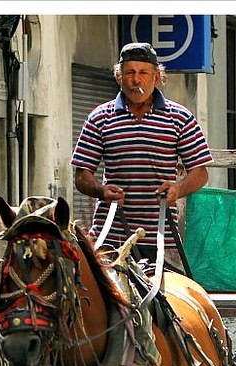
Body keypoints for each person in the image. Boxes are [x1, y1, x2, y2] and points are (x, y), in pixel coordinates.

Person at [70, 41, 213, 269]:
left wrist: (178, 189)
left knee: (169, 300)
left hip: (162, 236)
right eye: (130, 72)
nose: (136, 80)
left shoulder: (180, 118)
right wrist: (101, 190)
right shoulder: (99, 118)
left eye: (143, 73)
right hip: (111, 234)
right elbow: (82, 175)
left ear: (156, 77)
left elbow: (200, 173)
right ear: (119, 77)